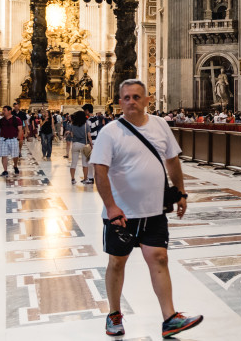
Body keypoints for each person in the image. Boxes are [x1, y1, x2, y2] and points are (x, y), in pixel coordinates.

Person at [91, 79, 201, 338]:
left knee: (159, 258)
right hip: (121, 215)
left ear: (147, 100)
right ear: (120, 102)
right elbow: (99, 170)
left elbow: (172, 160)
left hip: (154, 211)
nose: (131, 101)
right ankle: (114, 314)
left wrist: (181, 192)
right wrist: (111, 206)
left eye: (137, 97)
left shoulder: (160, 125)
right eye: (126, 97)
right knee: (118, 262)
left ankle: (170, 318)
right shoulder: (110, 132)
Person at [0, 105, 24, 176]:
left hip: (13, 139)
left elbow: (20, 130)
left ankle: (15, 166)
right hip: (3, 139)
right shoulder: (1, 120)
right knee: (4, 155)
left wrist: (18, 138)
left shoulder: (16, 119)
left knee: (15, 155)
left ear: (9, 111)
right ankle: (5, 170)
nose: (3, 112)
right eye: (3, 110)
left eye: (4, 110)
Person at [66, 110, 92, 185]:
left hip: (75, 144)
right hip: (84, 145)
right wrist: (91, 145)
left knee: (73, 163)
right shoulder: (86, 125)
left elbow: (71, 134)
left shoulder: (72, 125)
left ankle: (73, 179)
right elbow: (89, 136)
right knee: (85, 163)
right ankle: (85, 179)